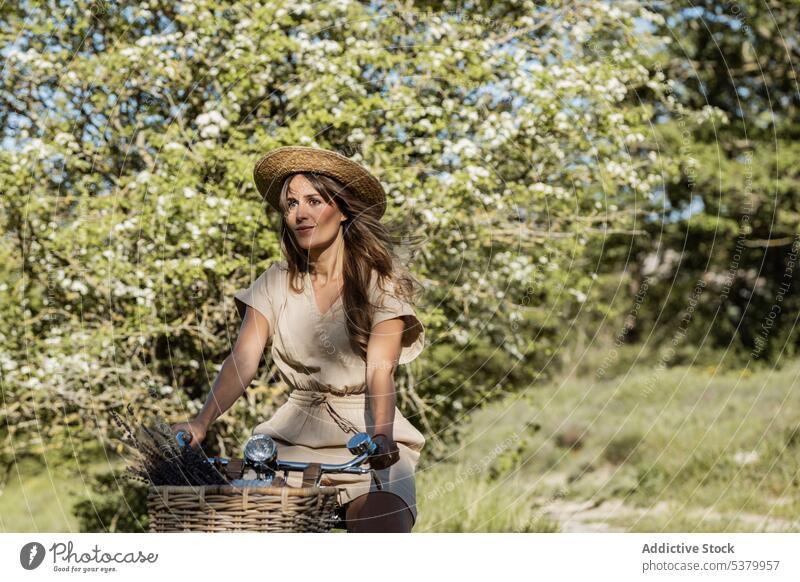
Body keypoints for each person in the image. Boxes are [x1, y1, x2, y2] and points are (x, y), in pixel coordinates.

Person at [171, 146, 426, 533]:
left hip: (368, 435)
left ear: (342, 210)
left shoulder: (379, 285)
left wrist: (381, 436)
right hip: (294, 435)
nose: (300, 213)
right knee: (258, 531)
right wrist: (202, 421)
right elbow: (243, 360)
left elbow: (380, 372)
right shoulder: (275, 281)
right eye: (291, 204)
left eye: (314, 200)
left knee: (383, 526)